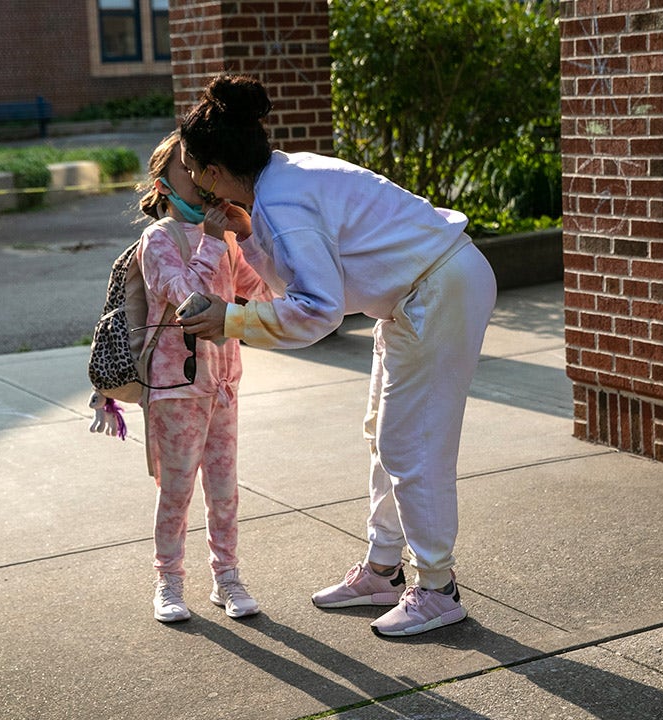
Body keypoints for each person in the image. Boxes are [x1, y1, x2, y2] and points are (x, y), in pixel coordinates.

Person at [177, 75, 498, 637]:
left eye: (188, 166)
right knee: (384, 433)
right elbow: (292, 287)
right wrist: (246, 236)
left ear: (210, 172)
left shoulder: (285, 201)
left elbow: (317, 310)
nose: (185, 178)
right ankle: (383, 570)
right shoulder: (276, 189)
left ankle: (438, 589)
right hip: (422, 291)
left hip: (437, 290)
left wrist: (230, 321)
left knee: (411, 444)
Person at [129, 131, 275, 623]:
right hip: (175, 387)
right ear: (163, 184)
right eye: (186, 171)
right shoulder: (157, 241)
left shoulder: (226, 238)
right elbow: (188, 297)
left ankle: (227, 577)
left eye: (201, 169)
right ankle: (168, 581)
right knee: (176, 489)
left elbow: (264, 294)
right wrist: (215, 242)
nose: (198, 178)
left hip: (224, 383)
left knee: (224, 487)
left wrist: (247, 235)